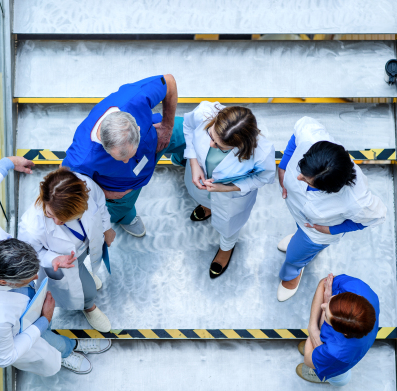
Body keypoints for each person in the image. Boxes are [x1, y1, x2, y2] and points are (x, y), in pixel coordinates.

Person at [0, 156, 111, 376]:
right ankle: (68, 350)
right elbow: (5, 357)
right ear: (4, 282)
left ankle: (71, 345)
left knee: (73, 285)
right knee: (50, 342)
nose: (35, 279)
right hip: (25, 326)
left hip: (37, 304)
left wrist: (7, 163)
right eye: (30, 279)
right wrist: (43, 321)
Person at [276, 117, 387, 301]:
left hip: (315, 233)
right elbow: (300, 128)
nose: (298, 178)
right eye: (301, 170)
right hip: (298, 214)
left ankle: (291, 275)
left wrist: (332, 229)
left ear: (330, 189)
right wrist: (283, 167)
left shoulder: (356, 200)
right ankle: (297, 241)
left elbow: (376, 217)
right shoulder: (312, 139)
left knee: (295, 256)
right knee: (297, 238)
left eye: (307, 180)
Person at [62, 74, 185, 238]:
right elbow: (65, 179)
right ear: (104, 146)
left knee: (191, 133)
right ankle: (125, 218)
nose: (128, 161)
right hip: (121, 185)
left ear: (137, 128)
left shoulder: (135, 98)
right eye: (121, 158)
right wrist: (106, 193)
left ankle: (182, 158)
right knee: (121, 207)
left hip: (154, 141)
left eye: (130, 153)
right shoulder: (82, 158)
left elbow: (168, 81)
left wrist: (168, 126)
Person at [184, 102, 275, 278]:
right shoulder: (204, 112)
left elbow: (264, 177)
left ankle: (226, 247)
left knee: (229, 226)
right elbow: (187, 126)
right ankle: (207, 207)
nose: (211, 145)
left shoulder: (262, 153)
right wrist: (194, 162)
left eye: (219, 146)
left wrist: (226, 188)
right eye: (210, 135)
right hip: (201, 179)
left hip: (231, 197)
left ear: (239, 146)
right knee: (201, 196)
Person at [19, 168, 115, 332]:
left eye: (64, 218)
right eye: (50, 214)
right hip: (62, 262)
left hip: (83, 247)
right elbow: (31, 254)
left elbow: (100, 205)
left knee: (82, 265)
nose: (56, 222)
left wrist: (106, 228)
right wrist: (53, 259)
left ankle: (83, 272)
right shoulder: (32, 226)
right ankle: (88, 306)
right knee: (87, 290)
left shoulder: (88, 187)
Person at [296, 273, 379, 386]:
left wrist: (313, 330)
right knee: (318, 351)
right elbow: (324, 282)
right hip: (350, 348)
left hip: (340, 360)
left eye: (326, 316)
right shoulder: (358, 288)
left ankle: (331, 378)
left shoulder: (336, 354)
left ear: (343, 331)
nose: (322, 306)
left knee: (337, 375)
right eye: (333, 299)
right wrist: (314, 326)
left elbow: (308, 360)